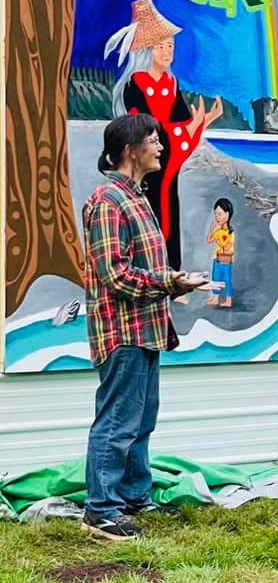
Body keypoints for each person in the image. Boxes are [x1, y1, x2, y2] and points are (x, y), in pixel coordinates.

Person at [83, 114, 210, 542]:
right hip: (122, 332)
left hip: (147, 329)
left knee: (141, 421)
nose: (160, 146)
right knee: (117, 422)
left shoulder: (135, 197)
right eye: (153, 140)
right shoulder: (108, 200)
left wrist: (175, 281)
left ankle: (135, 498)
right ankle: (100, 510)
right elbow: (115, 274)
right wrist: (170, 282)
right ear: (129, 149)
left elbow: (143, 270)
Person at [105, 0, 224, 277]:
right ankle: (150, 272)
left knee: (172, 208)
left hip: (168, 158)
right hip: (147, 160)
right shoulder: (136, 84)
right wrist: (187, 128)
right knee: (151, 213)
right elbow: (147, 127)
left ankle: (172, 271)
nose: (168, 51)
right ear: (147, 49)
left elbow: (182, 120)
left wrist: (203, 121)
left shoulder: (171, 83)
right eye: (161, 46)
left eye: (170, 45)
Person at [206, 198, 235, 309]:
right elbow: (209, 240)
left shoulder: (230, 233)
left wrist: (220, 239)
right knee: (216, 278)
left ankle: (228, 300)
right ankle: (215, 298)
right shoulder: (218, 231)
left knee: (227, 279)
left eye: (219, 214)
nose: (217, 217)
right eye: (216, 214)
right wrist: (212, 228)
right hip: (217, 259)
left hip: (226, 261)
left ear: (227, 214)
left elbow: (226, 246)